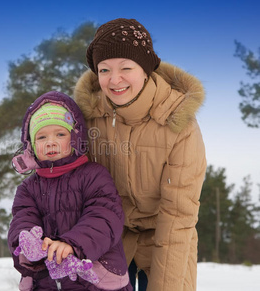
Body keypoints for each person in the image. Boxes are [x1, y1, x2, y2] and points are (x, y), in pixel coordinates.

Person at [74, 18, 206, 291]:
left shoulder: (178, 123)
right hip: (108, 235)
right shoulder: (88, 117)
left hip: (166, 236)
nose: (114, 79)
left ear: (145, 70)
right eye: (105, 69)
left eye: (126, 68)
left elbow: (178, 215)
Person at [8, 91, 132, 291]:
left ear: (75, 137)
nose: (50, 142)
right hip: (46, 282)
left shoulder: (94, 175)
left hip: (95, 279)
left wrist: (72, 244)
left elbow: (104, 217)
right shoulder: (28, 188)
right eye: (41, 136)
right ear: (31, 145)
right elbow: (23, 218)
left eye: (60, 134)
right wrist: (26, 241)